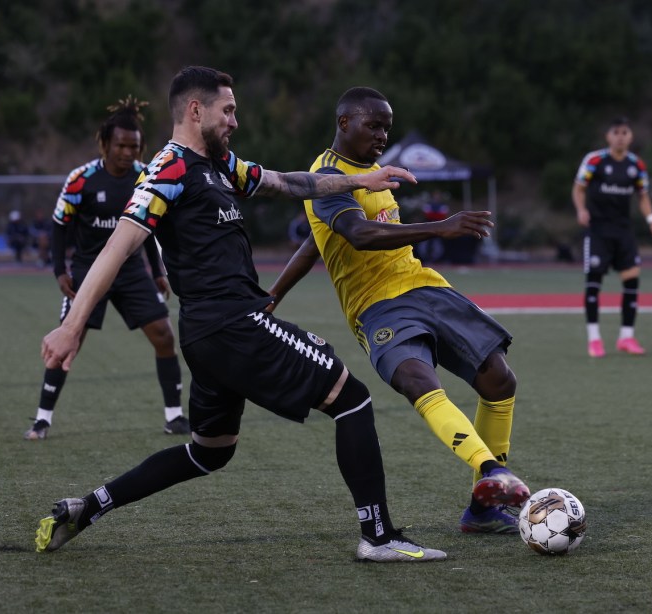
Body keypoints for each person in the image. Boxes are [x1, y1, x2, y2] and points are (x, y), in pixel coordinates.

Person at [35, 66, 446, 563]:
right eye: (227, 110)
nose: (234, 119)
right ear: (195, 110)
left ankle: (88, 507)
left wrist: (362, 178)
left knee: (209, 452)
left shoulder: (218, 162)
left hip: (211, 335)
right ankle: (379, 538)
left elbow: (283, 182)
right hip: (231, 325)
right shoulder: (168, 168)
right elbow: (116, 249)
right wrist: (72, 325)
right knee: (352, 399)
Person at [267, 86, 531, 535]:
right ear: (344, 122)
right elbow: (357, 234)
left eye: (387, 127)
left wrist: (272, 295)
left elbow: (314, 242)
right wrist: (441, 227)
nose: (382, 135)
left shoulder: (372, 171)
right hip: (376, 304)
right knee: (416, 378)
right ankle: (490, 471)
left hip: (424, 287)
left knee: (499, 378)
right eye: (374, 125)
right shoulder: (326, 176)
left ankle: (483, 510)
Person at [24, 97, 188, 440]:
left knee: (164, 335)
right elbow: (59, 227)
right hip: (87, 273)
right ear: (105, 144)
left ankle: (174, 416)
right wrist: (59, 271)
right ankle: (42, 419)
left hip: (131, 272)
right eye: (121, 146)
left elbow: (146, 227)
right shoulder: (81, 180)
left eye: (135, 146)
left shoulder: (146, 177)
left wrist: (157, 271)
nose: (128, 152)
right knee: (68, 342)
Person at [571, 117, 652, 358]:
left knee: (632, 282)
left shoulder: (637, 165)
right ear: (608, 136)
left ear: (631, 136)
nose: (621, 136)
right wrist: (581, 210)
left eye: (625, 132)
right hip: (598, 231)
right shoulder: (594, 161)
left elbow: (643, 196)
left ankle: (626, 337)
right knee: (594, 283)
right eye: (616, 132)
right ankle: (594, 339)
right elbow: (578, 188)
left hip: (624, 231)